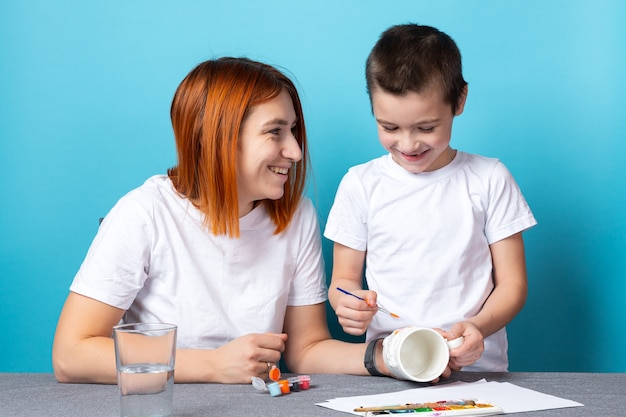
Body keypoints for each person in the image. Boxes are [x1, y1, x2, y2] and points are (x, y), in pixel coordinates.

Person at [52, 57, 388, 384]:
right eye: (275, 132)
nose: (296, 151)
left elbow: (307, 349)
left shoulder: (297, 216)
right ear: (217, 138)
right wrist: (213, 365)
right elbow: (71, 354)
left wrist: (387, 356)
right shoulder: (144, 213)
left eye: (293, 131)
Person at [325, 24, 537, 377]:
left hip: (476, 369)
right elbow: (343, 281)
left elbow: (513, 284)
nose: (408, 145)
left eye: (426, 128)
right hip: (393, 369)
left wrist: (479, 327)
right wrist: (347, 304)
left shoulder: (489, 178)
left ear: (460, 101)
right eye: (389, 128)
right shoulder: (360, 184)